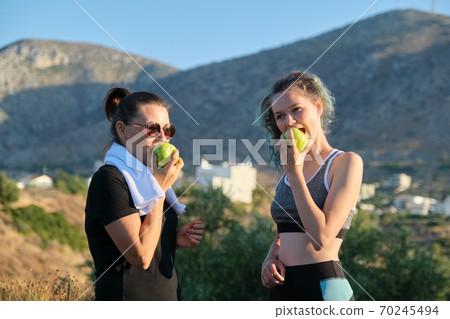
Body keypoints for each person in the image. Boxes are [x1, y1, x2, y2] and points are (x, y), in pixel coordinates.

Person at [85, 87, 204, 300]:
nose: (162, 138)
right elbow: (141, 256)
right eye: (152, 128)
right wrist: (159, 189)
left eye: (167, 130)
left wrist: (173, 240)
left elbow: (147, 237)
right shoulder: (110, 180)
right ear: (122, 130)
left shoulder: (149, 180)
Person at [258, 71, 363, 301]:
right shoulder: (286, 171)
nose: (289, 122)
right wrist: (270, 257)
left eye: (296, 109)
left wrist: (294, 174)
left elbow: (321, 239)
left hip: (324, 288)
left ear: (317, 106)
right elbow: (283, 230)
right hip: (283, 289)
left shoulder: (345, 163)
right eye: (280, 116)